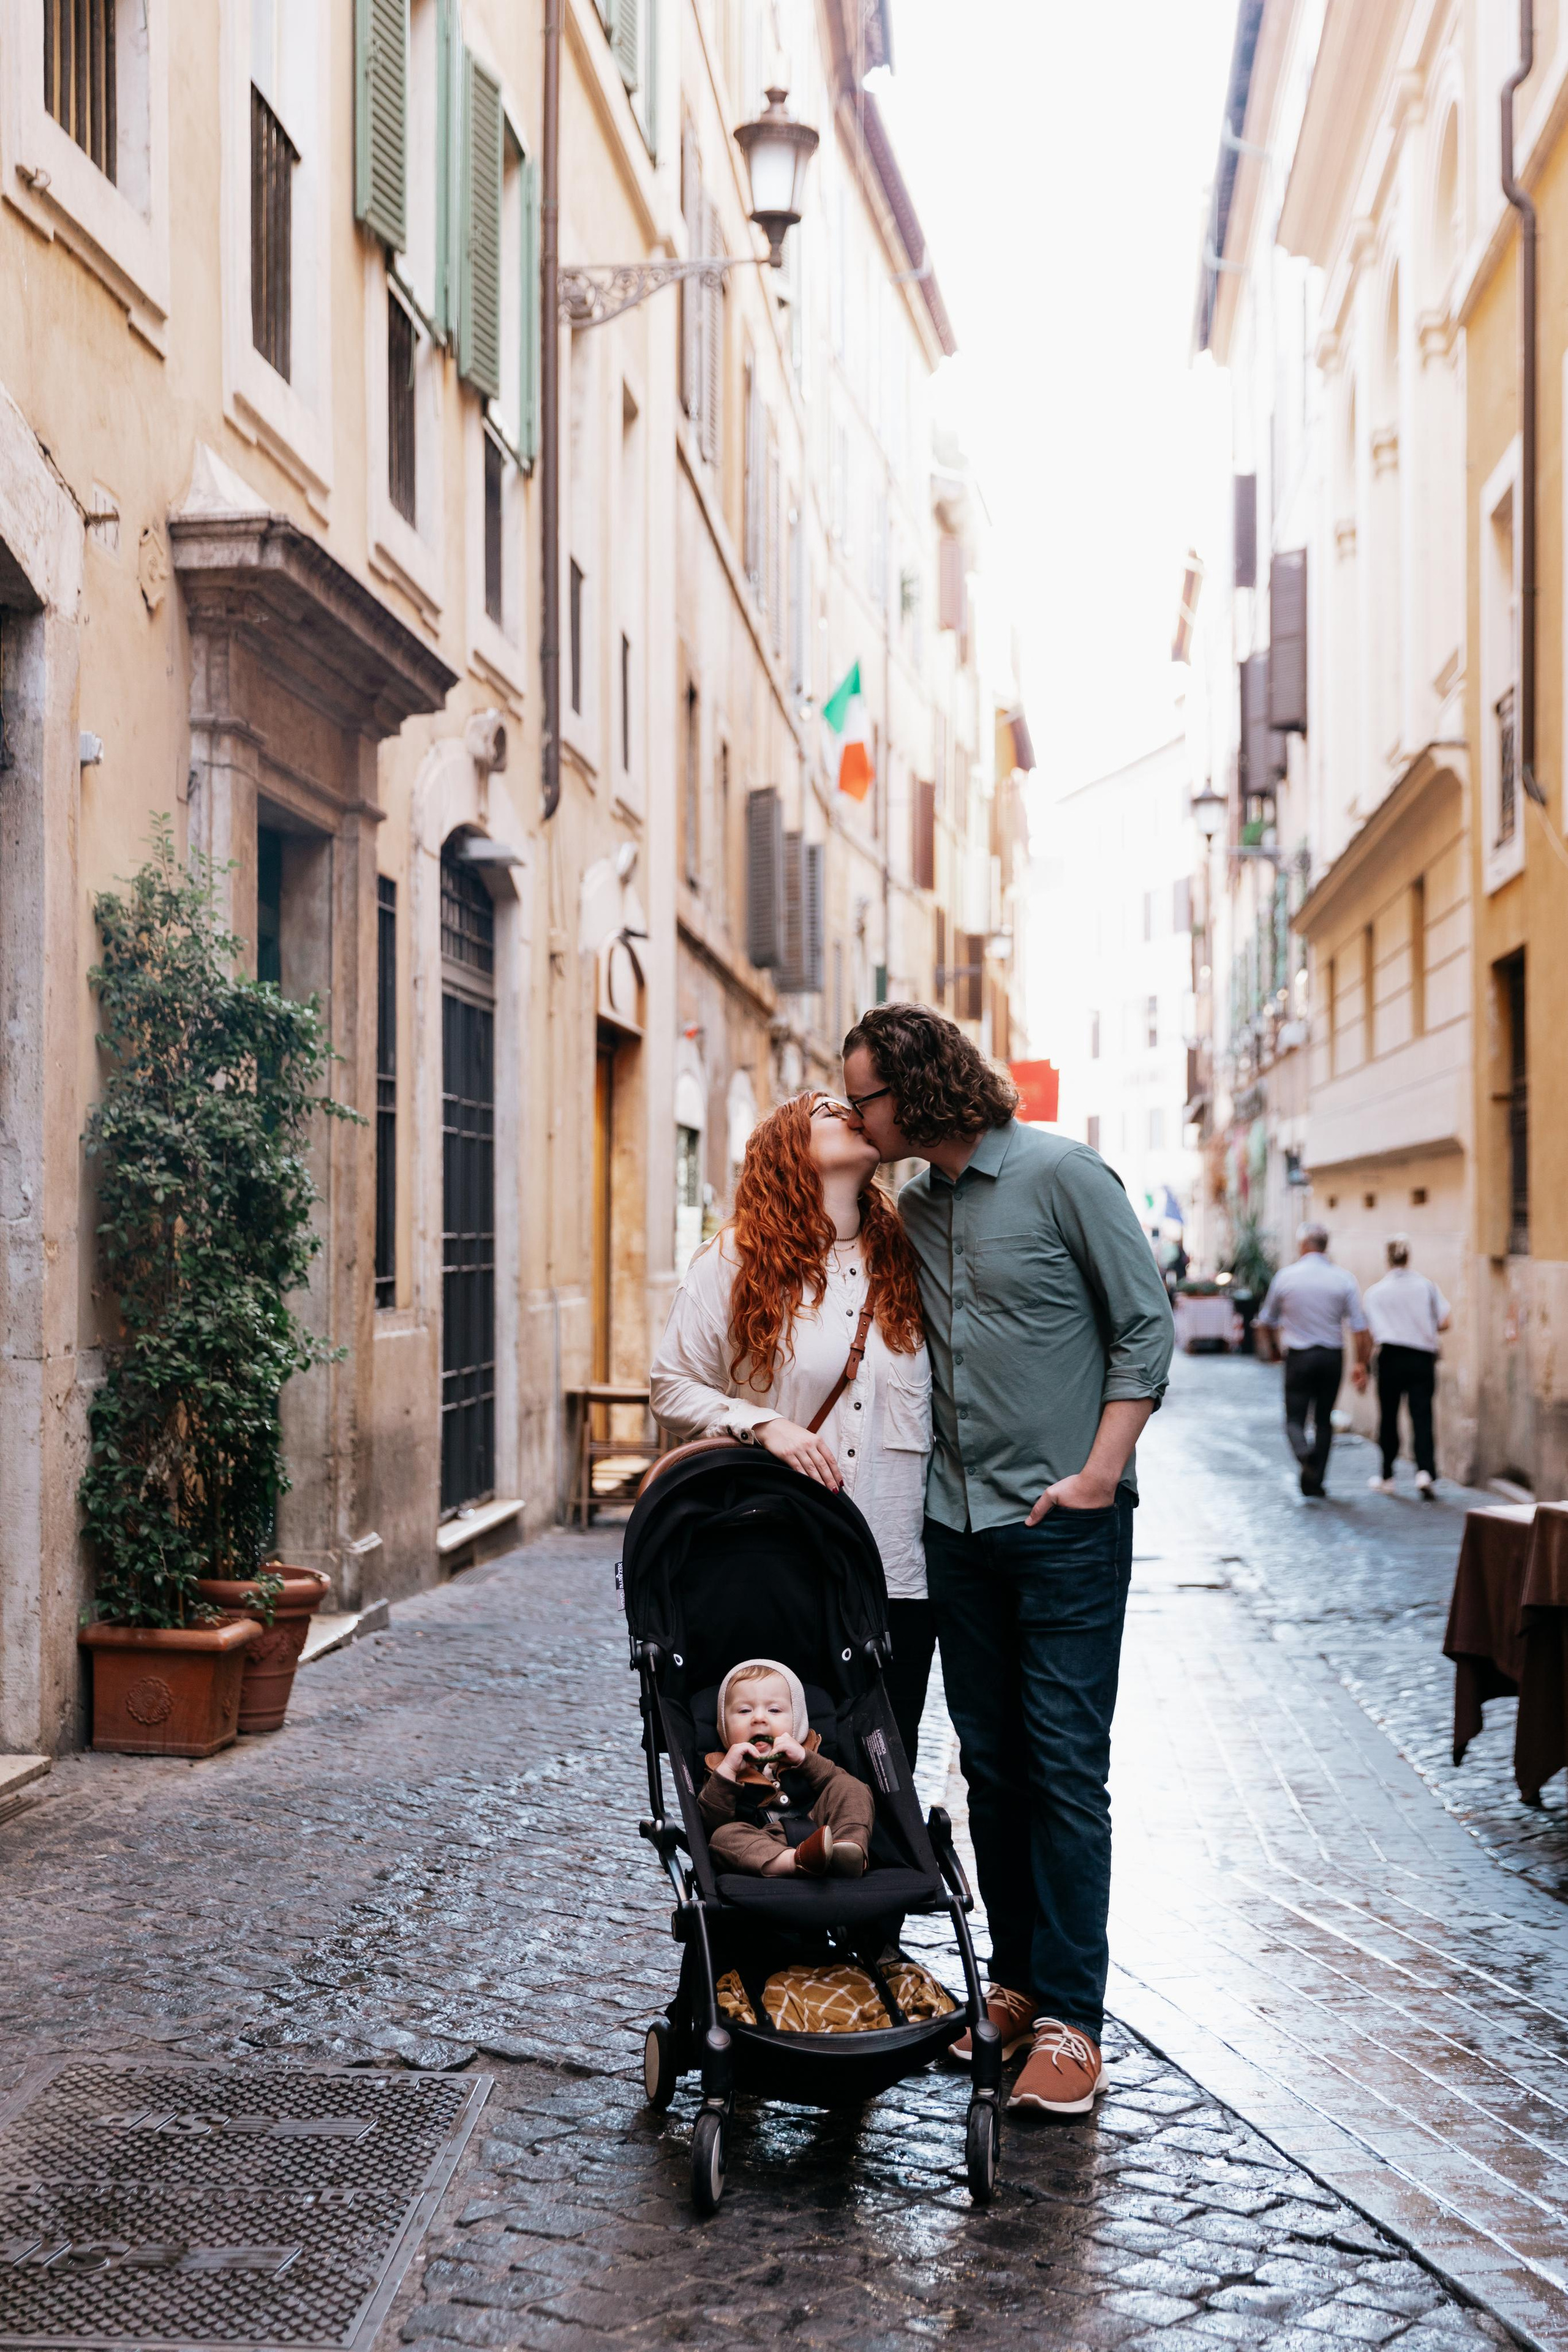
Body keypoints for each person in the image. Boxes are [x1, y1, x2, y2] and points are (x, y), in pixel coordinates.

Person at [840, 1004, 1174, 2119]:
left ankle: (1078, 2020)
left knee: (1067, 1764)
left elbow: (1144, 1329)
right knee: (992, 1766)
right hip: (958, 1532)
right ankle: (1024, 1984)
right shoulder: (914, 1207)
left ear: (918, 1090)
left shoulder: (1067, 1176)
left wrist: (1097, 1472)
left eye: (866, 1096)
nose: (855, 1114)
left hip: (1067, 1526)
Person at [649, 1091, 937, 1770]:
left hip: (900, 1566)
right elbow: (671, 1385)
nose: (849, 1112)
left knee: (889, 1762)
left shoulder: (908, 1256)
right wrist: (762, 1423)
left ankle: (883, 1875)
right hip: (790, 1559)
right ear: (789, 1150)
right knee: (797, 1758)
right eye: (827, 1110)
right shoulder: (734, 1259)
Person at [698, 1658, 874, 1879]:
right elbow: (710, 1823)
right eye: (744, 1711)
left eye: (774, 1710)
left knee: (851, 1786)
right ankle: (797, 1861)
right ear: (724, 1725)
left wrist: (805, 1759)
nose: (759, 1718)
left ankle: (847, 1850)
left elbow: (836, 1786)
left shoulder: (806, 1751)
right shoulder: (723, 1767)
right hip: (767, 1840)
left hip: (822, 1827)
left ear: (797, 1720)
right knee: (723, 1837)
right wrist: (727, 1773)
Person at [1253, 1224, 1370, 1498]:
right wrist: (1361, 1363)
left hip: (1299, 1356)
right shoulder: (1344, 1279)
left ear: (1303, 1246)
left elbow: (1266, 1320)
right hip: (1331, 1356)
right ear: (1325, 1246)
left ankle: (1305, 1454)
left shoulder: (1286, 1277)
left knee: (1294, 1418)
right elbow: (1359, 1327)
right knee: (1324, 1420)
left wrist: (1272, 1349)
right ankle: (1315, 1482)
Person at [1364, 1236, 1450, 1496]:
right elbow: (1445, 1321)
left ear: (1388, 1259)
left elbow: (1370, 1332)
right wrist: (1421, 1328)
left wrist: (1364, 1364)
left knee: (1388, 1417)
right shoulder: (1427, 1287)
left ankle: (1387, 1475)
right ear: (1408, 1257)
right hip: (1422, 1357)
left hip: (1390, 1356)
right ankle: (1425, 1471)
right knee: (1422, 1415)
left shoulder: (1375, 1292)